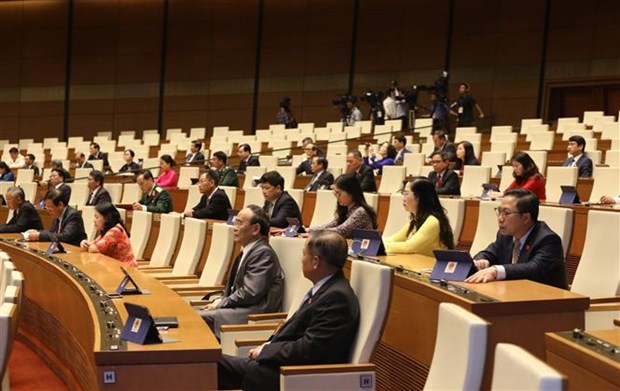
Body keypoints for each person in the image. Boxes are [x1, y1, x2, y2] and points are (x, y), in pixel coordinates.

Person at [218, 230, 360, 391]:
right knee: (208, 362)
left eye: (304, 254)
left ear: (315, 261)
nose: (301, 260)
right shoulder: (327, 289)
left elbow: (310, 349)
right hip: (278, 367)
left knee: (207, 364)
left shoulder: (336, 297)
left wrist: (266, 351)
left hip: (291, 376)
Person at [198, 205, 284, 338]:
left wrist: (221, 303)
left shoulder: (263, 253)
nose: (234, 227)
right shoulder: (249, 250)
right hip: (240, 308)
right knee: (190, 314)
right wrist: (220, 300)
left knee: (194, 319)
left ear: (255, 229)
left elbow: (250, 292)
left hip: (253, 314)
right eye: (235, 222)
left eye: (239, 222)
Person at [465, 188, 567, 289]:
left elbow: (533, 268)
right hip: (515, 295)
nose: (500, 218)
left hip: (548, 301)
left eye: (506, 213)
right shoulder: (505, 235)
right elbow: (490, 252)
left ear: (526, 218)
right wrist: (481, 260)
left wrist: (496, 271)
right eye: (499, 211)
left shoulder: (548, 240)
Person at [384, 178, 455, 256]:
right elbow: (394, 239)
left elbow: (409, 247)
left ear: (419, 197)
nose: (403, 199)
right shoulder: (416, 220)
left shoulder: (432, 221)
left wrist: (379, 246)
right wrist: (373, 242)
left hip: (430, 266)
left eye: (406, 194)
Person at [309, 173, 377, 239]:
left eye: (339, 193)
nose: (337, 197)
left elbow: (341, 230)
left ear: (351, 193)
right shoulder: (345, 209)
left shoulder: (360, 212)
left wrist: (314, 232)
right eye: (335, 193)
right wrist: (309, 230)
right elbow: (331, 225)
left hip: (363, 249)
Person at [80, 202, 137, 267]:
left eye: (97, 217)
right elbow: (93, 244)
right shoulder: (107, 230)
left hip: (127, 270)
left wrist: (88, 246)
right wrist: (84, 243)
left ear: (106, 219)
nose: (94, 220)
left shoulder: (115, 231)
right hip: (116, 267)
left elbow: (93, 249)